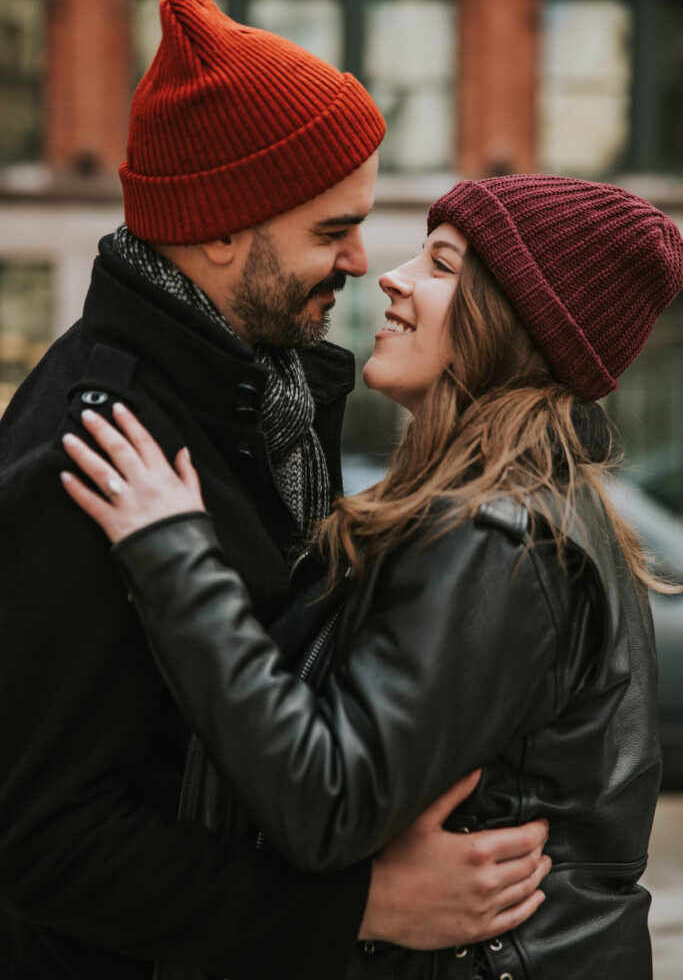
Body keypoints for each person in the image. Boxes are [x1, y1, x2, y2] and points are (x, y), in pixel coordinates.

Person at [0, 0, 549, 980]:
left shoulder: (267, 400)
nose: (355, 259)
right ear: (219, 228)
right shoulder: (93, 450)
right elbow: (46, 844)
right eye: (329, 228)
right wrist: (360, 904)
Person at [61, 172, 683, 980]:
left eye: (441, 265)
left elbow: (324, 802)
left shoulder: (499, 534)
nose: (391, 276)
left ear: (514, 322)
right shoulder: (530, 510)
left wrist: (174, 557)